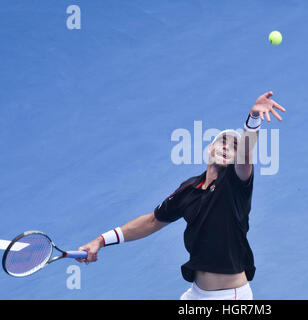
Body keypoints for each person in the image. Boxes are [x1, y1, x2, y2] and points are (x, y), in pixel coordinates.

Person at [77, 91, 286, 300]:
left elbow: (246, 154)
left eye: (234, 147)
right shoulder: (189, 188)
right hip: (196, 294)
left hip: (230, 297)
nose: (227, 148)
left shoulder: (235, 184)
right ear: (210, 149)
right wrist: (101, 241)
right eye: (222, 142)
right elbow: (151, 221)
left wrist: (254, 118)